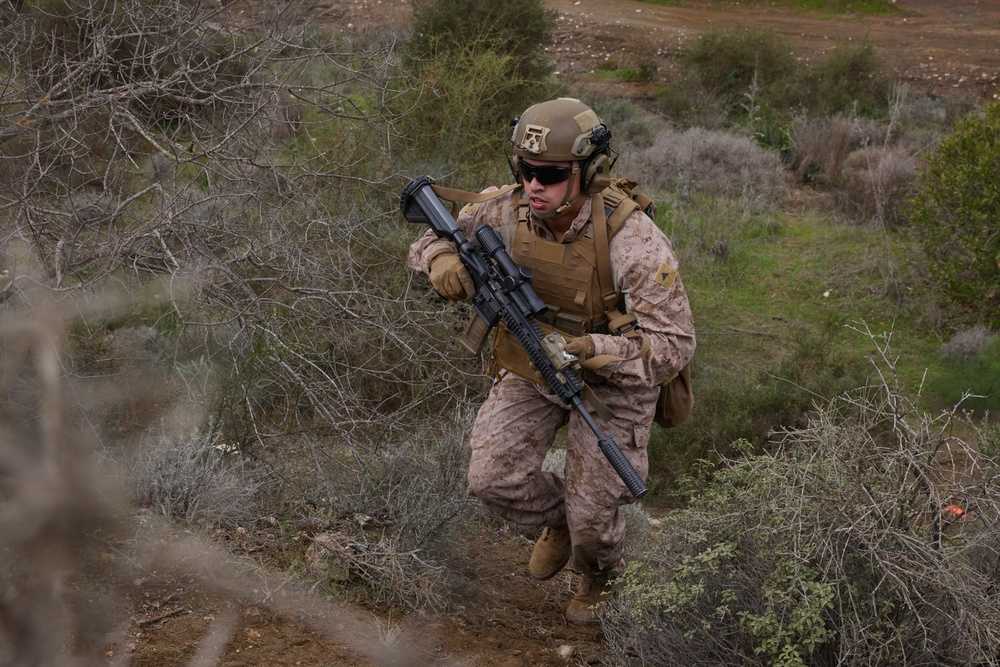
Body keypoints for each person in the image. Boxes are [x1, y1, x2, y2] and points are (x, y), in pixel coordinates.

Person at [406, 97, 695, 625]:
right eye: (525, 170)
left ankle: (600, 570)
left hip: (614, 384)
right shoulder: (504, 209)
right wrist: (440, 259)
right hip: (533, 366)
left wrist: (594, 350)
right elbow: (429, 234)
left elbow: (674, 344)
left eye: (551, 174)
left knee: (595, 514)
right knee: (491, 477)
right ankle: (562, 522)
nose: (534, 184)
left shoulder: (634, 240)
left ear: (589, 172)